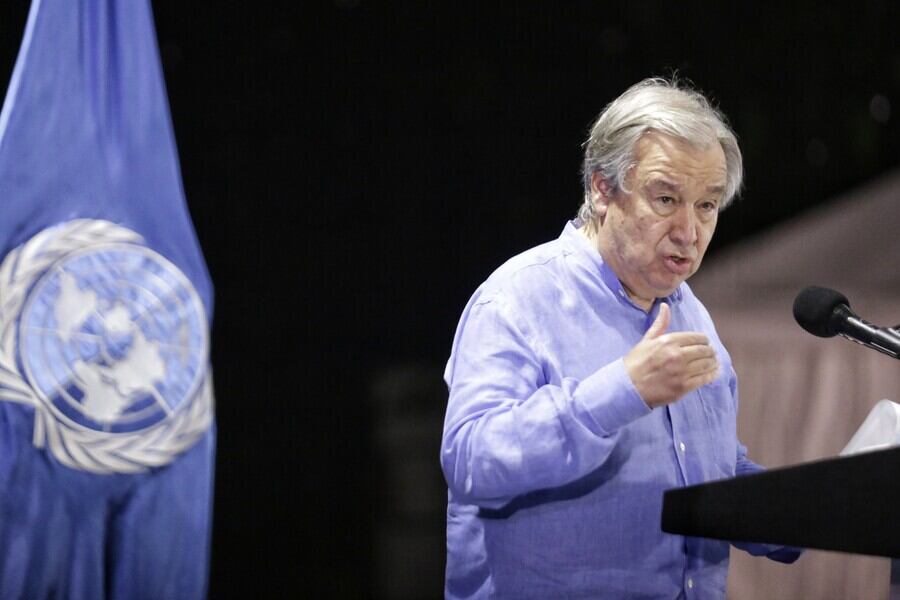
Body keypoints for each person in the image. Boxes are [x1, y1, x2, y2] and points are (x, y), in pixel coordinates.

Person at [440, 78, 800, 599]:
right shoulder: (517, 299)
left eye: (707, 206)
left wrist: (803, 509)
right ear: (601, 189)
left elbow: (704, 463)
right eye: (666, 198)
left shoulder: (689, 311)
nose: (688, 231)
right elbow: (470, 460)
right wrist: (620, 391)